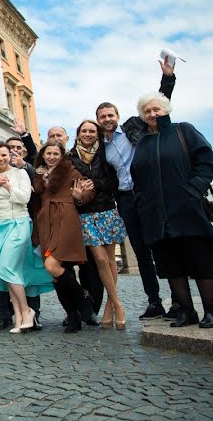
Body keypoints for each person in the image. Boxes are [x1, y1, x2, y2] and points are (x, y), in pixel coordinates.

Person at [130, 93, 213, 328]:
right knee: (172, 266)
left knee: (201, 263)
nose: (152, 114)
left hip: (187, 209)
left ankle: (212, 311)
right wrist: (142, 201)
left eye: (156, 110)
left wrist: (194, 189)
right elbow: (137, 176)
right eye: (147, 111)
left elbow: (206, 159)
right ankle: (186, 312)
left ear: (166, 110)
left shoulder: (184, 130)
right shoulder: (143, 142)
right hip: (156, 215)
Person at [96, 60, 177, 320]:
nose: (107, 119)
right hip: (125, 200)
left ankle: (178, 300)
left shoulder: (135, 126)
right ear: (98, 121)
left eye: (111, 115)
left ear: (117, 117)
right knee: (141, 252)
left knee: (162, 245)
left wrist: (167, 78)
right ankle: (154, 302)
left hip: (149, 194)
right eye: (103, 117)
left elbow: (158, 109)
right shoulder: (100, 147)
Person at [0, 143, 53, 334]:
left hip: (19, 223)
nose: (0, 159)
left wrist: (8, 185)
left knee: (7, 267)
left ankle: (27, 310)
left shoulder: (21, 174)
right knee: (6, 269)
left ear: (9, 155)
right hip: (0, 226)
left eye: (3, 155)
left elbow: (23, 198)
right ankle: (18, 316)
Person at [32, 140, 96, 333]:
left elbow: (88, 192)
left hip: (65, 217)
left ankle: (84, 299)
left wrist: (78, 196)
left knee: (52, 265)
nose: (52, 157)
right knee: (58, 274)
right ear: (43, 154)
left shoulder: (70, 171)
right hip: (46, 223)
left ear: (62, 156)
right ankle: (73, 316)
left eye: (55, 154)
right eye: (48, 153)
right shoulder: (39, 174)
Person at [69, 120, 127, 329]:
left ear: (98, 134)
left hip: (107, 210)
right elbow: (70, 185)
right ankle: (117, 304)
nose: (88, 134)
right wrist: (77, 192)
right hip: (85, 214)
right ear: (78, 134)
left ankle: (110, 308)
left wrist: (96, 183)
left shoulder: (105, 152)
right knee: (101, 260)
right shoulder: (71, 157)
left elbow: (114, 181)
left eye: (92, 131)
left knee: (110, 261)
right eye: (84, 130)